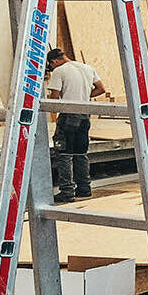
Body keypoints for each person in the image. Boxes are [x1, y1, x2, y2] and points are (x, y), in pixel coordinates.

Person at [45, 48, 107, 202]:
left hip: (68, 116)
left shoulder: (59, 71)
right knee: (80, 153)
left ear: (54, 62)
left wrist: (49, 105)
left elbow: (55, 97)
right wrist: (85, 97)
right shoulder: (87, 68)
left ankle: (67, 192)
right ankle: (84, 189)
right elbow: (101, 89)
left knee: (64, 154)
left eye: (51, 66)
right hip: (85, 114)